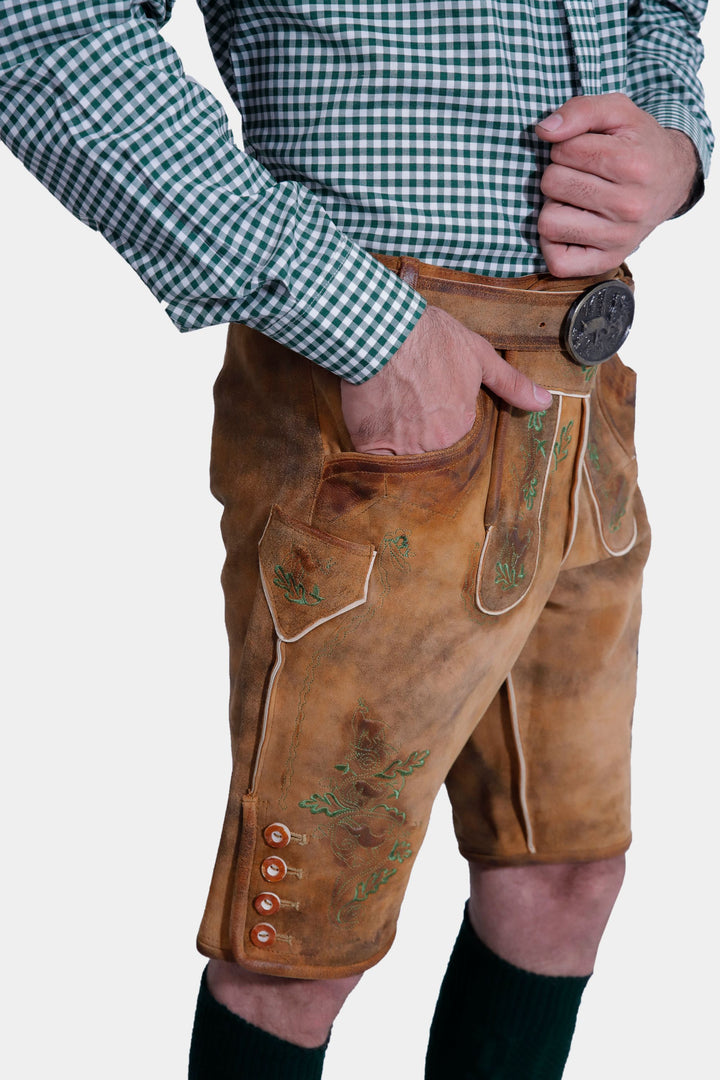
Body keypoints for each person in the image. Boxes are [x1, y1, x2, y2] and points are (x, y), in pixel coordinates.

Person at [0, 2, 713, 1078]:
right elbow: (43, 29)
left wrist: (676, 139)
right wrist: (367, 326)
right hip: (371, 407)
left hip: (583, 399)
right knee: (300, 952)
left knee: (563, 876)